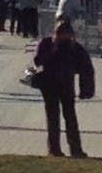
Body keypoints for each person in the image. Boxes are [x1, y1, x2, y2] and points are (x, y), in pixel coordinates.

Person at [33, 21, 95, 158]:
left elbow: (86, 69)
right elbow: (37, 61)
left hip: (65, 85)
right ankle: (56, 149)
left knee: (68, 117)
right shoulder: (48, 44)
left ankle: (74, 149)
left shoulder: (73, 48)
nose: (63, 38)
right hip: (50, 86)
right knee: (54, 117)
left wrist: (86, 89)